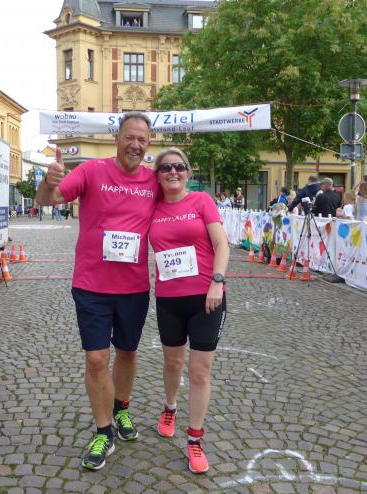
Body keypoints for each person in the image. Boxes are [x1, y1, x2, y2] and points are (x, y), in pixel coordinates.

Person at [36, 112, 157, 470]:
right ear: (116, 138)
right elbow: (48, 199)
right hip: (92, 285)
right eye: (129, 137)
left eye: (142, 140)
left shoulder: (153, 181)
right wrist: (47, 182)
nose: (135, 145)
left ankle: (121, 409)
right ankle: (103, 431)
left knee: (128, 352)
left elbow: (179, 214)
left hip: (134, 287)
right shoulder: (92, 171)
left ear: (148, 145)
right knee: (96, 358)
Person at [147, 148, 229, 474]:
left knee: (199, 372)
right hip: (169, 298)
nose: (173, 171)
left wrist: (217, 282)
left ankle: (194, 438)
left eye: (179, 166)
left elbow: (221, 244)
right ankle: (170, 407)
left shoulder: (201, 201)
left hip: (206, 299)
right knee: (173, 362)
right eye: (166, 167)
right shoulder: (151, 207)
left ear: (188, 171)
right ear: (157, 175)